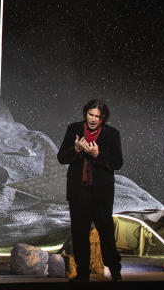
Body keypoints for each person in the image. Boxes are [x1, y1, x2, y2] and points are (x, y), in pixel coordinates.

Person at [57, 99, 123, 282]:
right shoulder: (74, 129)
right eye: (90, 115)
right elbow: (61, 157)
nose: (93, 119)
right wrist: (76, 149)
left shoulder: (111, 134)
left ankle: (115, 272)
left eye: (97, 116)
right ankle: (83, 274)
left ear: (103, 118)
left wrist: (98, 154)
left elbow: (117, 162)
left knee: (106, 234)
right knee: (79, 234)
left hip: (101, 193)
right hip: (79, 192)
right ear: (85, 114)